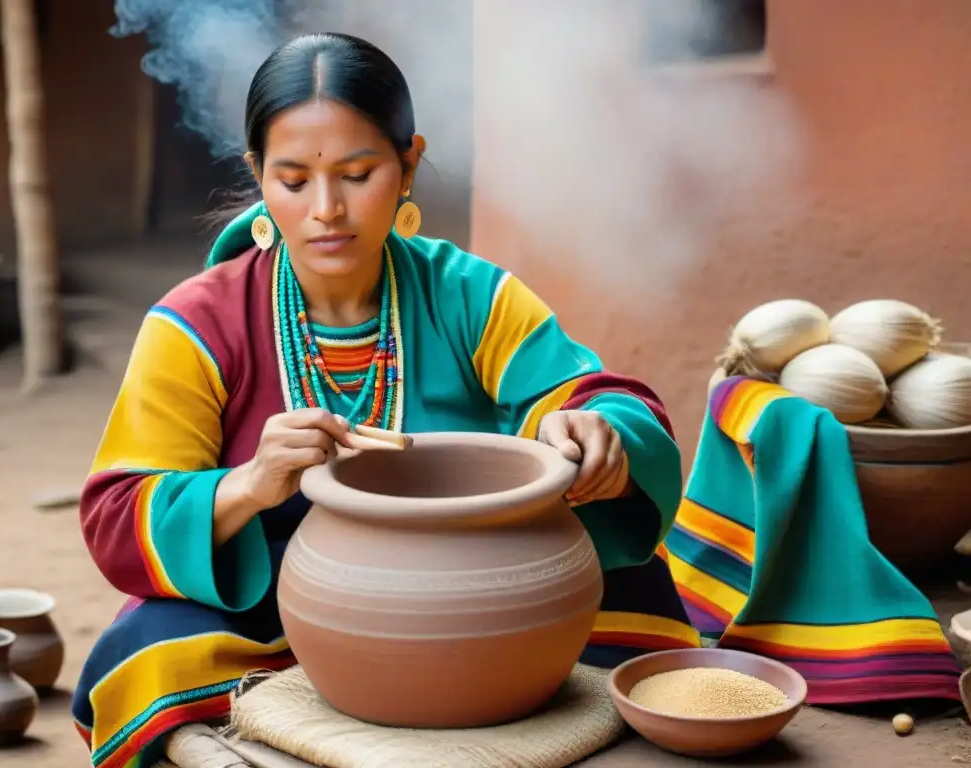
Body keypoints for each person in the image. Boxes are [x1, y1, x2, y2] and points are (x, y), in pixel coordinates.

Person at [72, 32, 698, 768]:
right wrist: (245, 485)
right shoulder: (196, 324)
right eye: (294, 179)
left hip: (484, 582)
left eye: (357, 172)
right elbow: (117, 512)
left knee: (638, 604)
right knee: (146, 654)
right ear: (258, 176)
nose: (327, 209)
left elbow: (595, 398)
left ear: (407, 164)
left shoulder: (471, 294)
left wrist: (595, 434)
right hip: (285, 603)